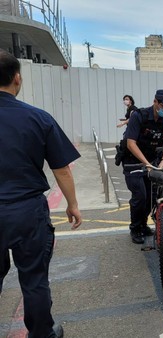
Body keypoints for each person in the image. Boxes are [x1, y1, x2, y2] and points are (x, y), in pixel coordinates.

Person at [0, 49, 82, 338]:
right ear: (17, 79)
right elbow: (62, 169)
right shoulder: (37, 118)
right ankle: (41, 334)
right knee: (34, 279)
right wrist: (72, 204)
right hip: (26, 210)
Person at [122, 89, 163, 244]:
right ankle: (135, 228)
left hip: (152, 161)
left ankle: (143, 224)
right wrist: (146, 164)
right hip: (133, 161)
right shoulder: (139, 116)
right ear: (155, 102)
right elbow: (130, 143)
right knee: (140, 195)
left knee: (152, 196)